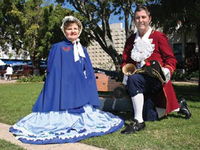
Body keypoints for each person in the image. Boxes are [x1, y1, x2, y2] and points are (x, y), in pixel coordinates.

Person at [9, 16, 124, 144]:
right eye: (69, 29)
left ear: (79, 30)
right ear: (64, 31)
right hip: (63, 84)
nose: (73, 31)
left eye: (75, 28)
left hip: (78, 84)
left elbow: (87, 69)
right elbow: (53, 68)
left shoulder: (82, 49)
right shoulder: (58, 47)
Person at [120, 5, 191, 134]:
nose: (140, 20)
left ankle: (138, 122)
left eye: (143, 17)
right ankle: (179, 105)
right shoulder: (130, 40)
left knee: (134, 80)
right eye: (137, 18)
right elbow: (125, 61)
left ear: (149, 19)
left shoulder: (159, 37)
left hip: (156, 80)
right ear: (134, 20)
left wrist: (166, 71)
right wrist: (126, 69)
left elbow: (171, 60)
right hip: (139, 81)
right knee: (150, 116)